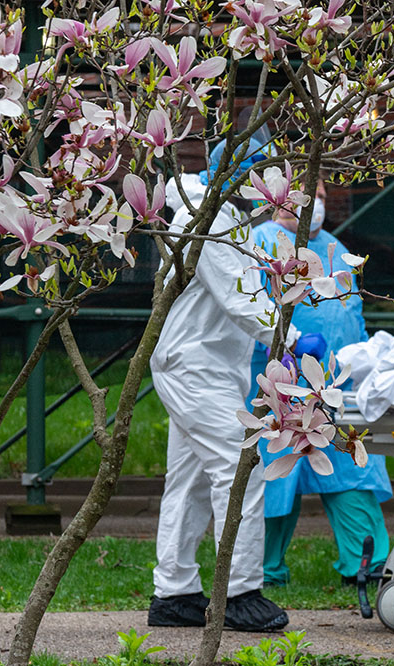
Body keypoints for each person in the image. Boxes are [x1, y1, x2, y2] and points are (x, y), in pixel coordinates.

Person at [148, 137, 292, 632]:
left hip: (200, 366)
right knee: (240, 470)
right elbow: (240, 297)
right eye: (267, 177)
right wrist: (289, 337)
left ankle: (174, 592)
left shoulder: (227, 220)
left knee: (187, 483)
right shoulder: (207, 221)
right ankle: (241, 592)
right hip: (194, 368)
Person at [247, 178, 393, 588]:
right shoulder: (258, 244)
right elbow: (248, 311)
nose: (319, 205)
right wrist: (286, 349)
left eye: (324, 198)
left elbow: (353, 322)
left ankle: (368, 564)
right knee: (278, 480)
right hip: (279, 388)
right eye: (309, 199)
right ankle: (259, 570)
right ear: (278, 203)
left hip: (337, 388)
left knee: (349, 469)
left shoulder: (338, 253)